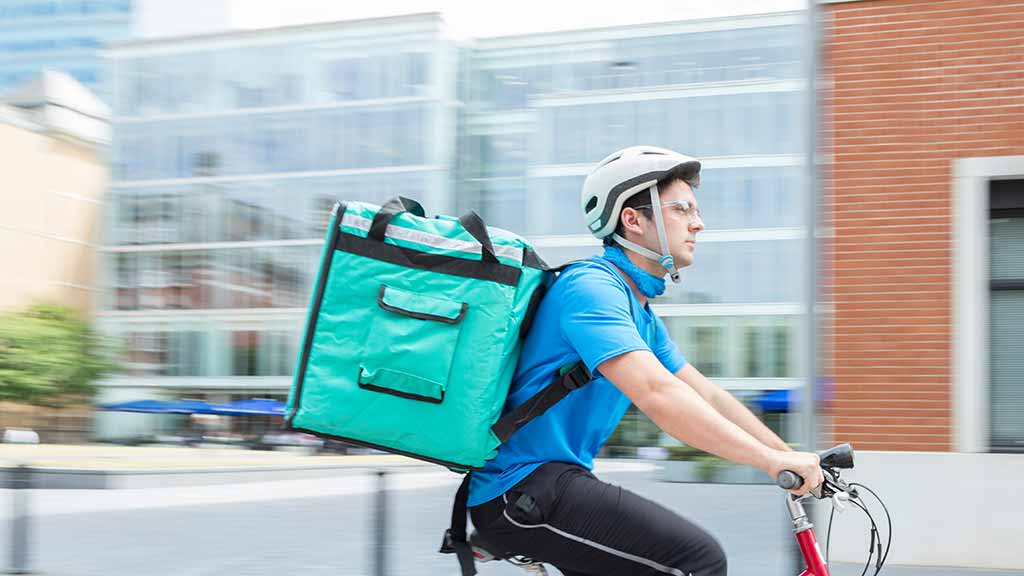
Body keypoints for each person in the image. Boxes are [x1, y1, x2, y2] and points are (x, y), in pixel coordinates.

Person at [467, 146, 824, 576]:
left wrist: (787, 454)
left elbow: (705, 394)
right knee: (697, 561)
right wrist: (767, 461)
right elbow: (659, 394)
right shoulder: (591, 288)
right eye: (682, 208)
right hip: (521, 489)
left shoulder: (641, 313)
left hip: (554, 484)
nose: (699, 222)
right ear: (633, 221)